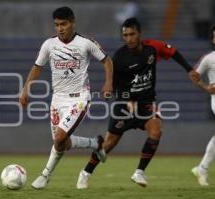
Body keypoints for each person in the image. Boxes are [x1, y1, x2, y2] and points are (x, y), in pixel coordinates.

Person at [76, 17, 201, 189]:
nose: (128, 39)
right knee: (108, 144)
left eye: (132, 34)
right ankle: (85, 173)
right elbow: (117, 87)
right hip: (124, 105)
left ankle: (139, 172)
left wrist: (189, 69)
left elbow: (172, 52)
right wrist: (127, 98)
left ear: (139, 34)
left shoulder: (152, 48)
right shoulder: (119, 58)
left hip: (146, 103)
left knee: (156, 131)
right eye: (125, 35)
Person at [19, 6, 113, 189]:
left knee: (59, 137)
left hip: (79, 98)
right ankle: (95, 143)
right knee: (62, 144)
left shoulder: (86, 43)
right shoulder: (49, 45)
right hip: (58, 99)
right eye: (56, 25)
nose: (60, 28)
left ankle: (45, 175)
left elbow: (107, 61)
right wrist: (25, 89)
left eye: (63, 24)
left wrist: (108, 83)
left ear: (72, 23)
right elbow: (37, 67)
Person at [191, 25, 215, 186]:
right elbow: (194, 75)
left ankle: (202, 168)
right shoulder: (209, 58)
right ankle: (202, 168)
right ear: (213, 39)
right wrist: (207, 88)